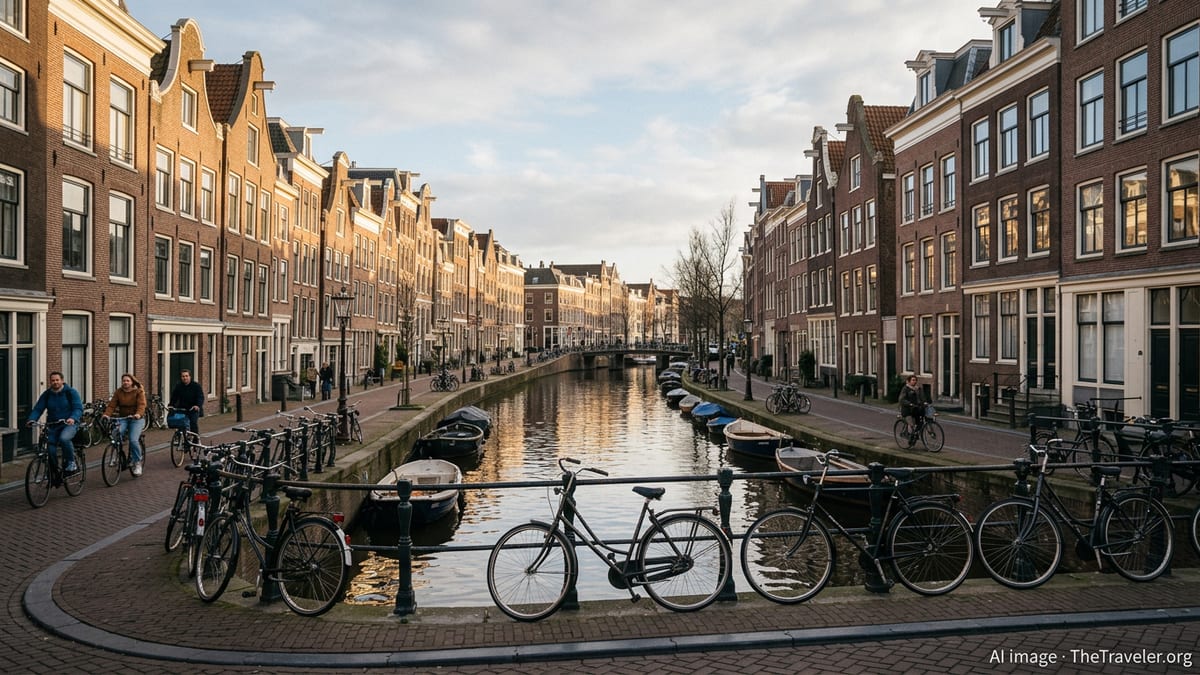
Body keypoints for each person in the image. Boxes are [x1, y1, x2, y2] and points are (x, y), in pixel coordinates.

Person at [26, 371, 84, 473]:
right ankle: (54, 472)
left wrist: (73, 418)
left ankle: (71, 462)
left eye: (57, 380)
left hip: (69, 424)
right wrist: (32, 419)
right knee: (50, 448)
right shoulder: (47, 394)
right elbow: (38, 409)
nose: (55, 382)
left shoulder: (70, 392)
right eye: (53, 380)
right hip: (53, 426)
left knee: (64, 439)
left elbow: (78, 408)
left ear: (62, 380)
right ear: (50, 382)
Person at [103, 373, 147, 476]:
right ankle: (115, 454)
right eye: (124, 381)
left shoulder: (138, 391)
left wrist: (138, 414)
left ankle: (137, 463)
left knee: (133, 440)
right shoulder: (119, 392)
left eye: (127, 381)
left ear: (132, 382)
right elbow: (111, 405)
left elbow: (142, 405)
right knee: (115, 434)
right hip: (123, 418)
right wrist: (106, 415)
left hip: (136, 419)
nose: (125, 382)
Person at [168, 369, 204, 436]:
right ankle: (182, 439)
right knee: (180, 423)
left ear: (190, 377)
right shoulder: (179, 386)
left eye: (186, 376)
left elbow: (200, 397)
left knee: (193, 423)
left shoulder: (196, 386)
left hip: (193, 409)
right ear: (181, 377)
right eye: (183, 376)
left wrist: (197, 405)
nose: (185, 378)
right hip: (182, 408)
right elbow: (174, 396)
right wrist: (171, 405)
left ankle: (195, 441)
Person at [899, 374, 925, 447]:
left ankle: (915, 434)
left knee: (921, 422)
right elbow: (901, 399)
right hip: (907, 410)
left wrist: (925, 402)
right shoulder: (905, 389)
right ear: (909, 381)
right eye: (913, 380)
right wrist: (909, 404)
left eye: (915, 380)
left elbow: (923, 398)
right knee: (912, 424)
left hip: (916, 409)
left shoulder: (918, 389)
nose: (915, 381)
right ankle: (910, 437)